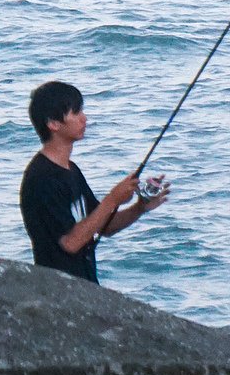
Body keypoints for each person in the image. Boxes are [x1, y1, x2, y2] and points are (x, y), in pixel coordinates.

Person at [19, 79, 170, 284]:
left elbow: (104, 226)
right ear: (53, 123)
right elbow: (70, 243)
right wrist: (112, 199)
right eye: (76, 112)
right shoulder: (41, 178)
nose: (84, 118)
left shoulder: (72, 171)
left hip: (85, 285)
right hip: (58, 289)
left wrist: (140, 207)